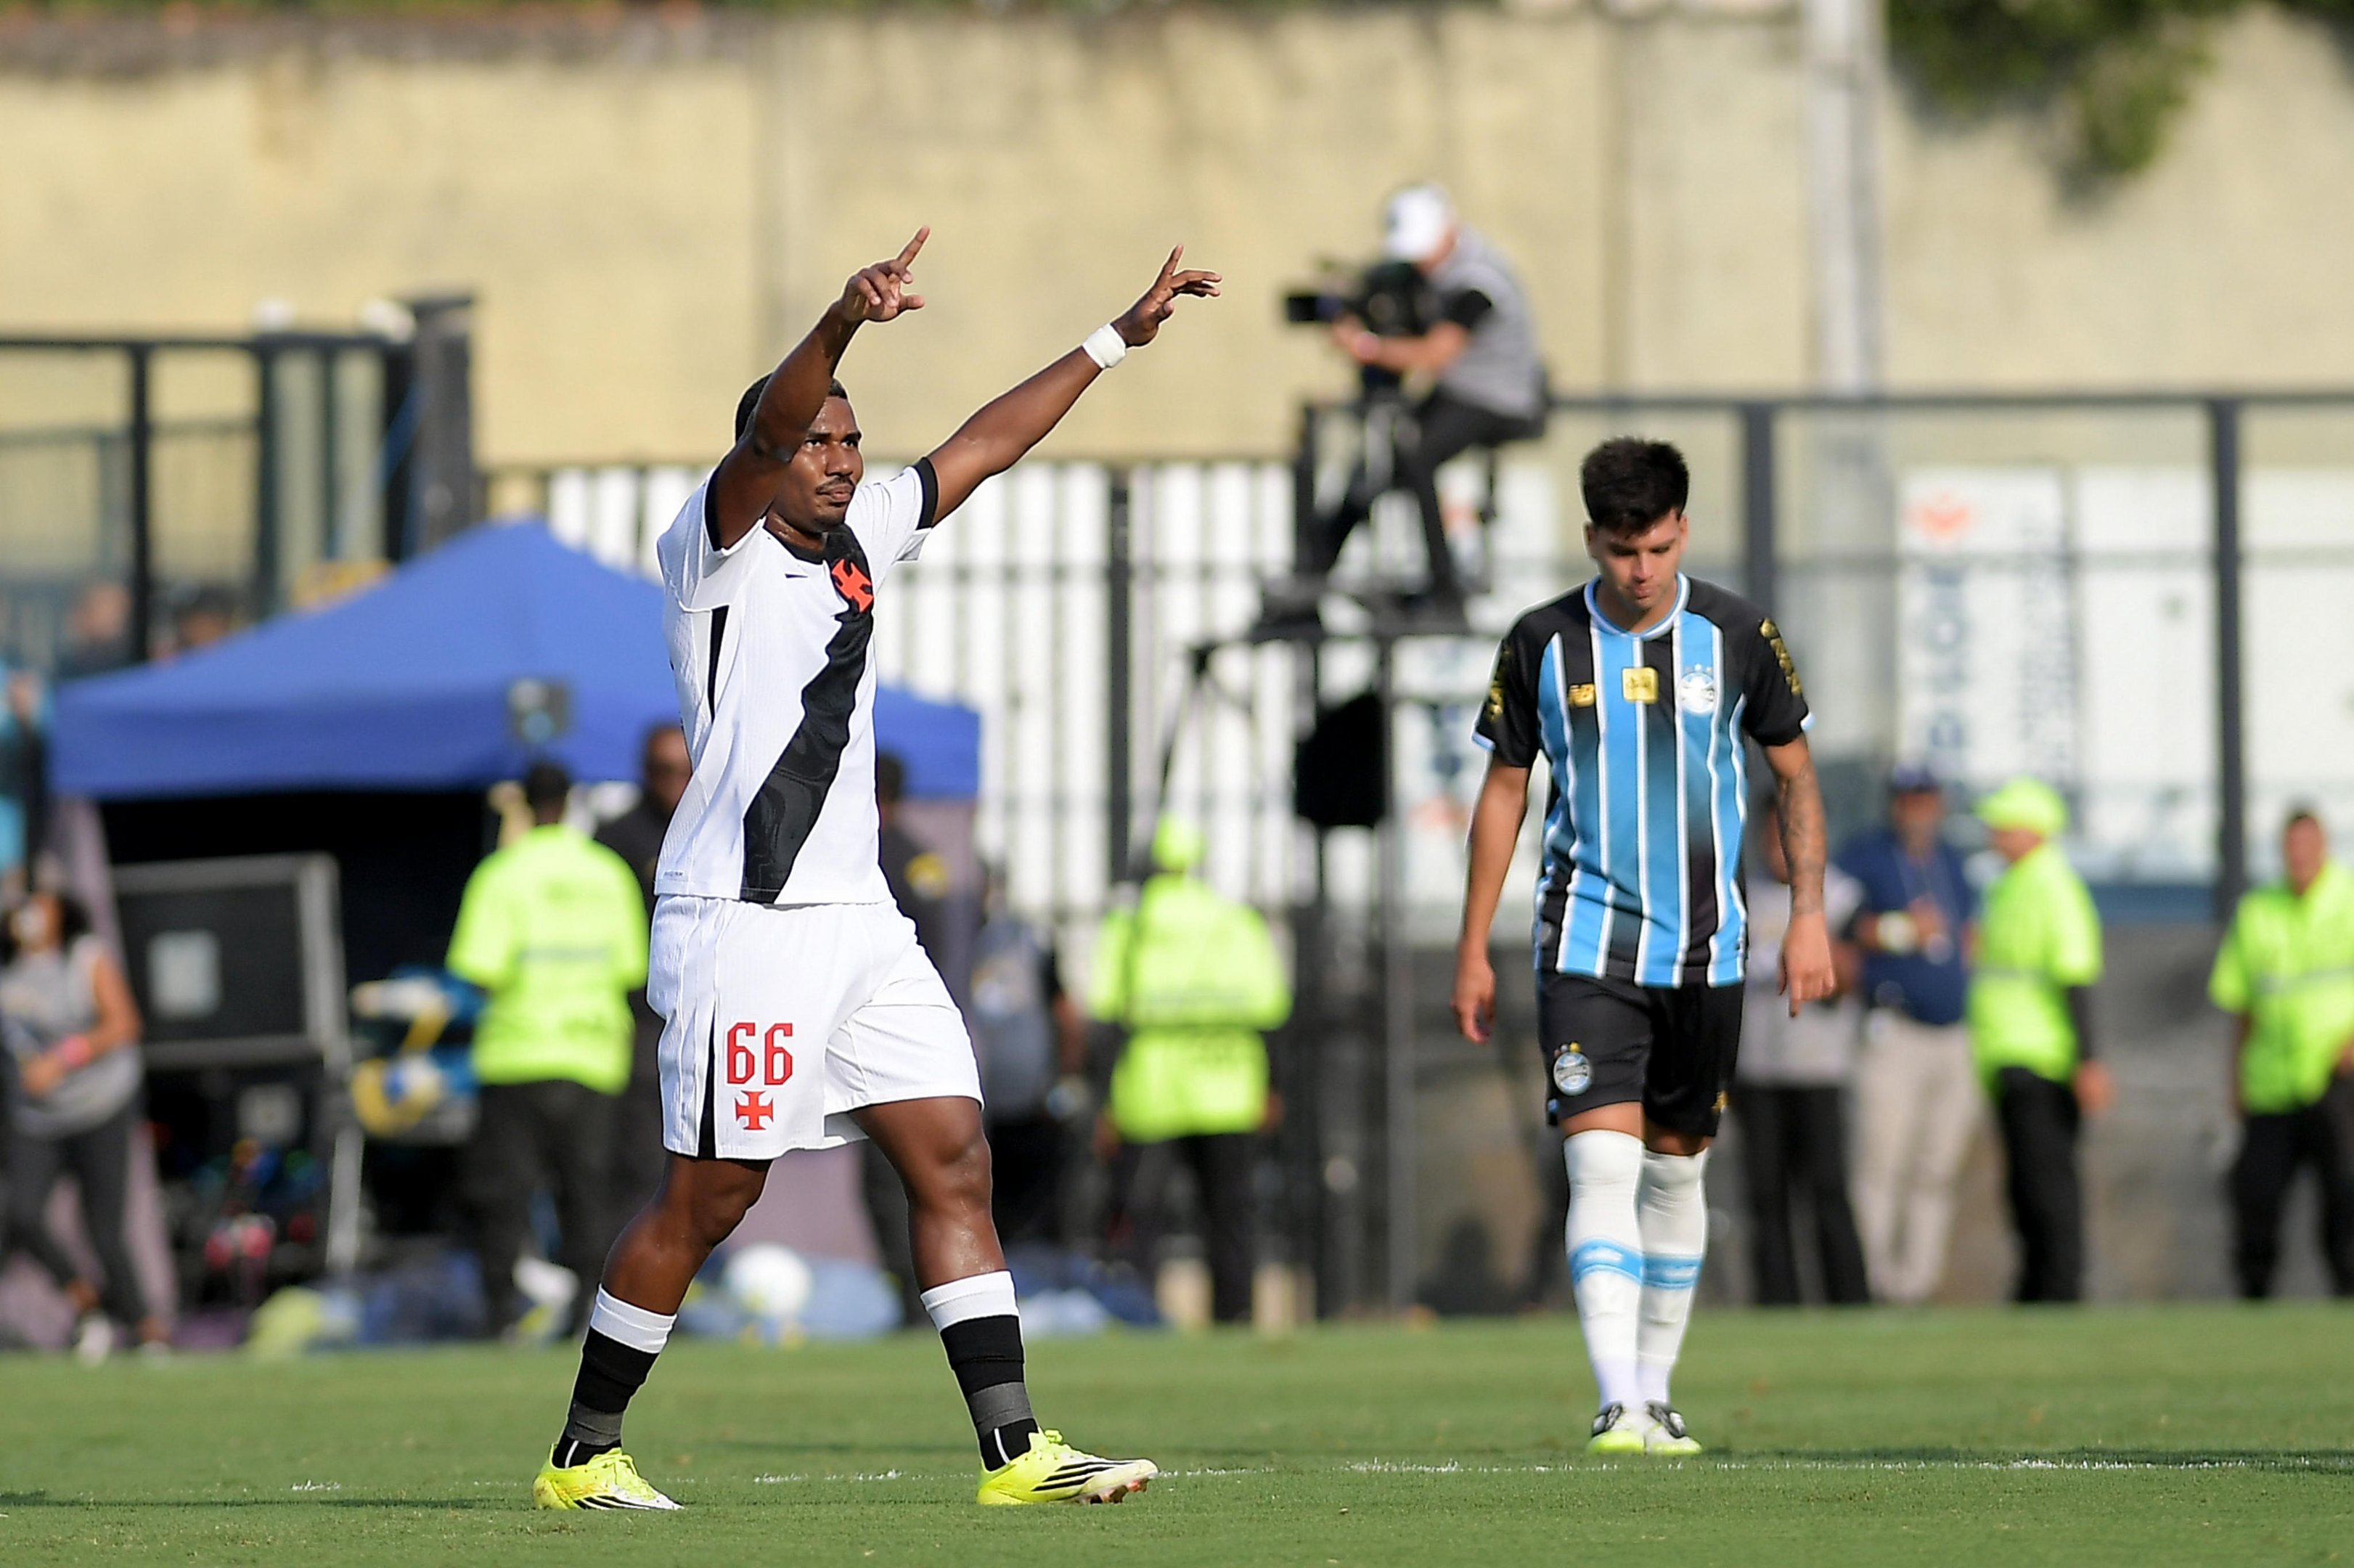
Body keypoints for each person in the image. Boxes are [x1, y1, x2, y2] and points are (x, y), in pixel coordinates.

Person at [534, 229, 1217, 1513]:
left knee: (953, 1154)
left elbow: (984, 443)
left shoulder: (863, 534)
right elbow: (773, 418)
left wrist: (1114, 338)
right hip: (744, 924)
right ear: (765, 458)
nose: (844, 458)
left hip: (858, 922)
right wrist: (841, 322)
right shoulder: (717, 549)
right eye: (821, 442)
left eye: (852, 442)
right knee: (712, 1197)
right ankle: (582, 1456)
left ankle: (1015, 1453)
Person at [1452, 436, 1835, 1457]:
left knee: (1674, 1175)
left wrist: (1807, 915)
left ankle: (1656, 1391)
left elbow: (1792, 777)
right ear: (1590, 539)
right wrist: (1471, 947)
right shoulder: (1539, 643)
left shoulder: (1737, 634)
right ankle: (1617, 1398)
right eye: (1621, 550)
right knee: (1600, 1170)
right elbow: (1501, 792)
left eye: (1657, 548)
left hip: (1705, 957)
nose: (1639, 570)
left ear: (1682, 534)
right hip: (1584, 948)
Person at [448, 759, 648, 1339]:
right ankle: (592, 1309)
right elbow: (632, 967)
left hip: (517, 1053)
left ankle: (500, 1313)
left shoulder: (502, 873)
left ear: (524, 804)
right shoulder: (607, 872)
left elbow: (478, 969)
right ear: (571, 801)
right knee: (588, 1190)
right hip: (592, 1055)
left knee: (504, 1193)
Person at [1089, 819, 1291, 1325]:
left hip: (1151, 1091)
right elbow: (1271, 1009)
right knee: (1230, 1216)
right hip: (1228, 1086)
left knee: (1142, 1216)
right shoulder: (1236, 921)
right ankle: (1235, 1316)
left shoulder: (1130, 926)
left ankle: (1138, 1317)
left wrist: (1101, 1101)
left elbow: (1106, 1012)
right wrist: (1273, 1087)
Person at [1312, 185, 1545, 618]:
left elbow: (1437, 352)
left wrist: (1365, 346)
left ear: (1449, 231)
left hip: (1497, 399)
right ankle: (1314, 572)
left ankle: (1445, 590)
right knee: (1377, 463)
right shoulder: (1436, 273)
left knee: (1414, 454)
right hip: (1460, 390)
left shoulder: (1478, 279)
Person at [0, 889, 168, 1359]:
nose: (28, 917)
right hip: (35, 1117)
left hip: (99, 1105)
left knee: (104, 1228)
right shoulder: (8, 968)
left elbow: (124, 1024)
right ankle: (86, 1302)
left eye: (40, 906)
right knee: (22, 1215)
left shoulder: (83, 958)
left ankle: (145, 1327)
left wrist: (64, 1059)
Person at [1838, 764, 1981, 1304]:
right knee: (1880, 1163)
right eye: (1907, 800)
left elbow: (1963, 928)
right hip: (1892, 1029)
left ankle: (1917, 1284)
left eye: (1925, 799)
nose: (1916, 810)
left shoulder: (1951, 859)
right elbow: (1842, 925)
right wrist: (1900, 930)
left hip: (1951, 1034)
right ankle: (1869, 1282)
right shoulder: (1866, 855)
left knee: (1937, 1165)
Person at [1968, 777, 2111, 1304]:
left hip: (2043, 1060)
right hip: (2008, 1055)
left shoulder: (2051, 887)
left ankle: (2058, 1290)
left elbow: (2075, 977)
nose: (1994, 833)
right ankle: (2035, 1288)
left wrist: (2089, 1061)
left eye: (2004, 824)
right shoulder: (2010, 885)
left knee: (2048, 1187)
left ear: (2033, 831)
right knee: (2024, 1186)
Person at [2208, 809, 2354, 1298]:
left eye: (2307, 845)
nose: (2299, 856)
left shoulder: (2348, 899)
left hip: (2337, 1078)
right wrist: (2235, 1083)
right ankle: (2254, 1310)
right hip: (2271, 1081)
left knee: (2344, 1199)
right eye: (2291, 847)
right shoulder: (2256, 910)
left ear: (2325, 846)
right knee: (2256, 1200)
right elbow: (2242, 1006)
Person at [1735, 796, 1870, 1307]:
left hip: (1817, 1068)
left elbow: (1848, 970)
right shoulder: (1744, 894)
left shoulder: (1837, 896)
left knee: (1828, 1192)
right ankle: (1777, 1304)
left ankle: (1849, 1301)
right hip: (1759, 1067)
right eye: (1772, 838)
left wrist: (1814, 964)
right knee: (1766, 1198)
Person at [594, 724, 691, 1217]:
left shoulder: (716, 830)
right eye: (661, 770)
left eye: (681, 769)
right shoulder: (617, 838)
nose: (671, 780)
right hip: (638, 1017)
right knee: (637, 1151)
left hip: (701, 1013)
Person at [970, 863, 1087, 1249]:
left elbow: (1064, 1011)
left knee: (1032, 1201)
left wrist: (1065, 1077)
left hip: (1028, 1097)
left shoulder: (1028, 937)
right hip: (973, 1098)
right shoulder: (948, 935)